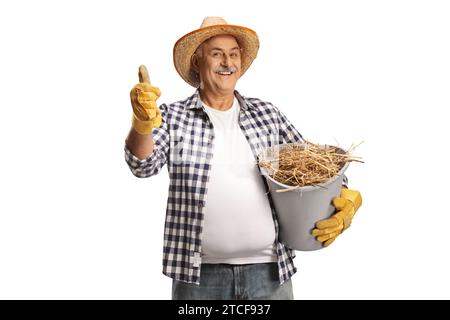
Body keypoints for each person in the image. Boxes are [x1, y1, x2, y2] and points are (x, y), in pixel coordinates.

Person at [124, 17, 362, 300]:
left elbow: (315, 165)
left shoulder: (267, 114)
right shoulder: (173, 117)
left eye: (233, 54)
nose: (227, 62)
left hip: (270, 274)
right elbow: (142, 164)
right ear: (198, 62)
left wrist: (345, 196)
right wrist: (142, 124)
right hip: (200, 279)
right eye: (216, 54)